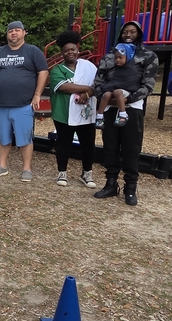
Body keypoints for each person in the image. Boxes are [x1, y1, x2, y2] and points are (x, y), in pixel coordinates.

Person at [93, 20, 159, 206]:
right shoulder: (109, 56)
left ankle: (130, 187)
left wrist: (127, 99)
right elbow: (98, 81)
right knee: (110, 147)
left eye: (133, 31)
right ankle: (111, 184)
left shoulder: (148, 56)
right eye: (125, 31)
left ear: (139, 34)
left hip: (132, 108)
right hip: (109, 107)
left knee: (131, 149)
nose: (128, 34)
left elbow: (148, 85)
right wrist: (106, 98)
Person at [0, 21, 49, 182]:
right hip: (1, 104)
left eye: (17, 30)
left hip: (24, 104)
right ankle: (2, 166)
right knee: (2, 136)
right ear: (7, 34)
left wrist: (37, 94)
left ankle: (26, 169)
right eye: (11, 31)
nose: (14, 33)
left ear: (24, 33)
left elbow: (43, 72)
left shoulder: (32, 51)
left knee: (24, 138)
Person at [48, 31, 98, 188]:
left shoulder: (88, 66)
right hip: (64, 112)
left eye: (72, 49)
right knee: (64, 143)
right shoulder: (57, 70)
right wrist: (88, 89)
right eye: (66, 50)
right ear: (62, 53)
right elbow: (64, 87)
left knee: (88, 143)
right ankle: (62, 172)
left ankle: (87, 173)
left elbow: (98, 83)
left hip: (86, 112)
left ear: (77, 49)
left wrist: (88, 92)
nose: (70, 52)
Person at [95, 44, 141, 127]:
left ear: (128, 57)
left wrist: (111, 86)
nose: (117, 60)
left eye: (120, 58)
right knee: (106, 94)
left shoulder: (132, 70)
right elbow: (115, 81)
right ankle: (100, 116)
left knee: (117, 92)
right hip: (115, 89)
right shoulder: (116, 69)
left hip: (126, 90)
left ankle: (123, 114)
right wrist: (108, 87)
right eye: (116, 58)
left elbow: (129, 83)